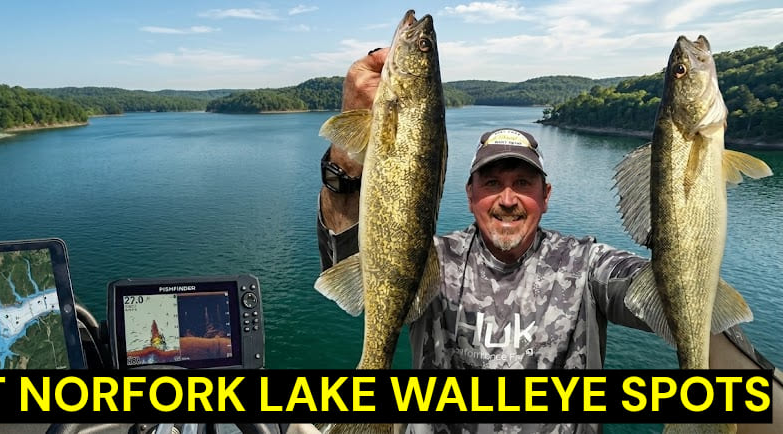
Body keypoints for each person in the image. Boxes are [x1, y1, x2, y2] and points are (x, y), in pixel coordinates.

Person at [315, 48, 775, 434]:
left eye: (524, 182)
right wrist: (346, 155)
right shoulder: (434, 259)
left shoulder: (587, 264)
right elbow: (348, 252)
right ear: (471, 194)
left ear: (546, 195)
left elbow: (673, 290)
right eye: (491, 182)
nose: (508, 198)